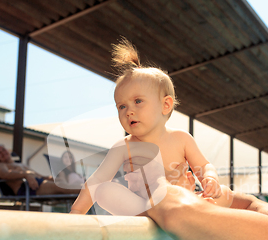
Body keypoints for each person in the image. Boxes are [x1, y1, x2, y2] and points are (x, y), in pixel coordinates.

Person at [70, 38, 233, 216]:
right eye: (121, 106)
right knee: (104, 190)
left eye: (138, 101)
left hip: (182, 204)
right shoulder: (124, 147)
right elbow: (97, 180)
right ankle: (157, 216)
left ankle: (191, 212)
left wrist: (210, 179)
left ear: (165, 105)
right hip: (144, 208)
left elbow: (204, 165)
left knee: (225, 193)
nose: (128, 111)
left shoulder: (181, 138)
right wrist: (77, 211)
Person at [0, 144, 80, 196]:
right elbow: (4, 174)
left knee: (61, 181)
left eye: (3, 149)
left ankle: (86, 189)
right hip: (27, 188)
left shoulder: (19, 164)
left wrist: (53, 178)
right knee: (61, 186)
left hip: (37, 182)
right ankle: (89, 191)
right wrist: (26, 174)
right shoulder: (1, 165)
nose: (3, 152)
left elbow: (40, 176)